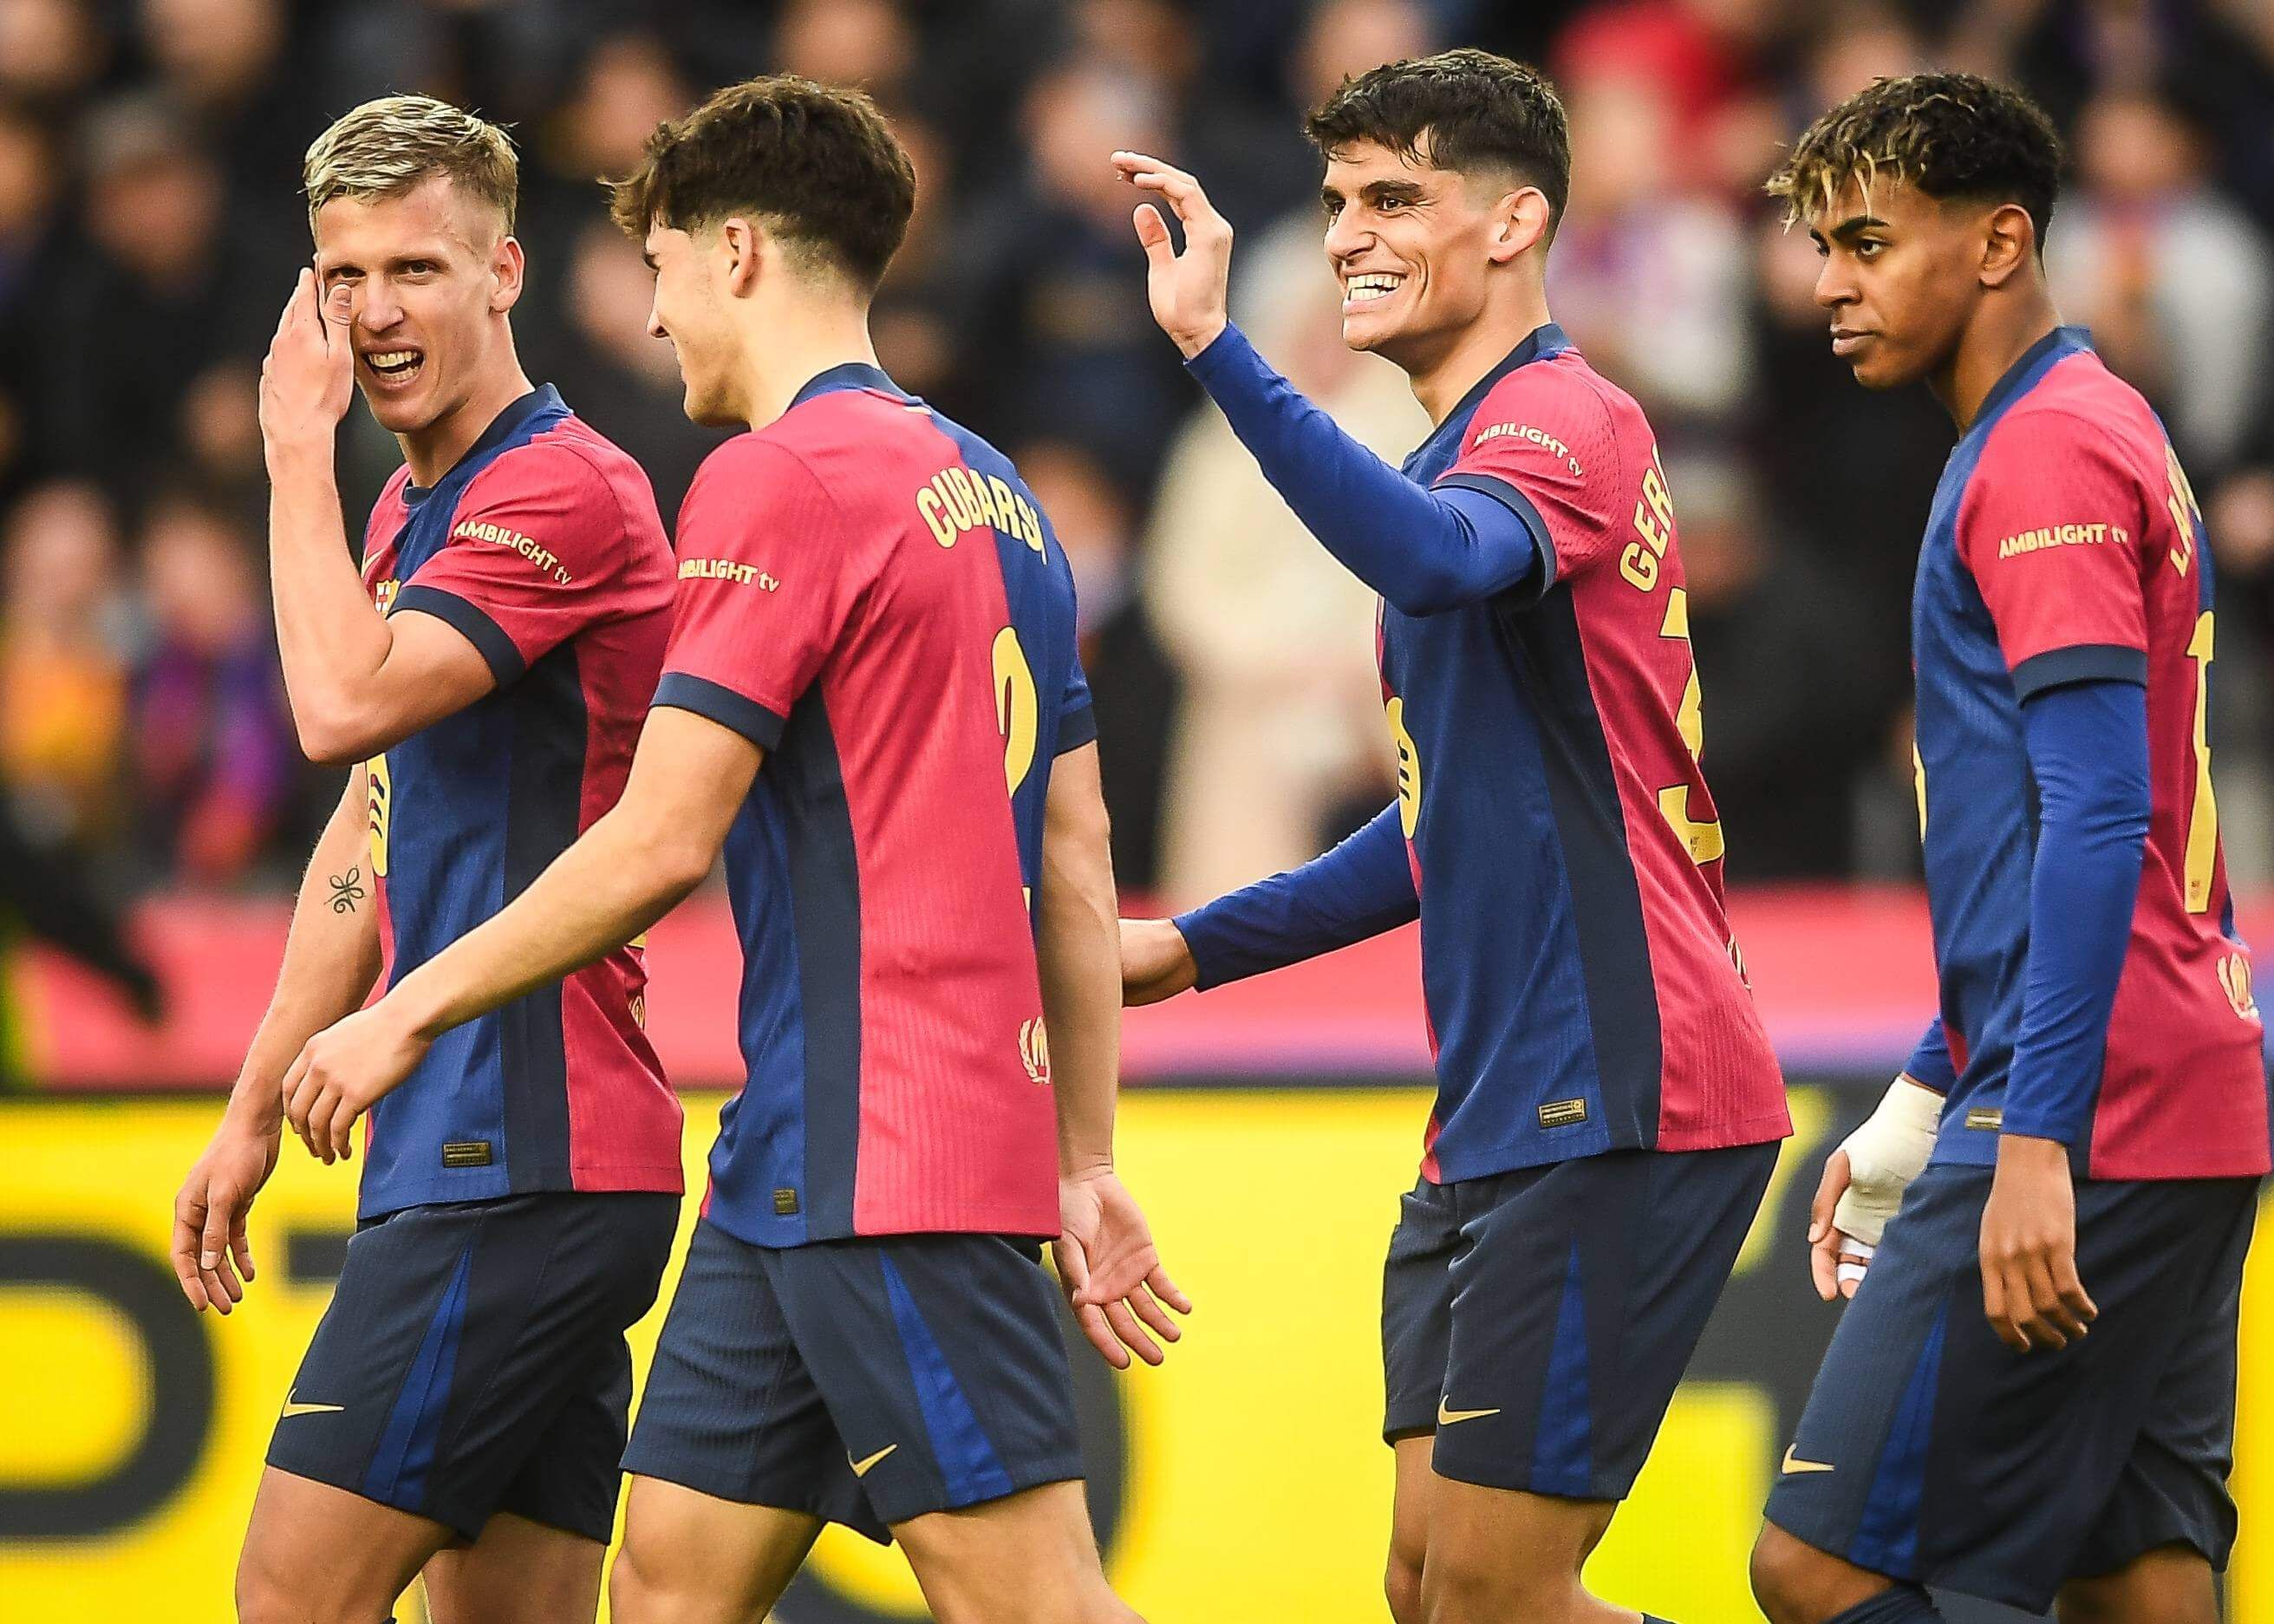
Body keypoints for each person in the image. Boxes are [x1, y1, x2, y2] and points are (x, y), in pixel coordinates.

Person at [277, 76, 1183, 1624]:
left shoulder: (776, 477)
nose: (652, 318)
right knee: (667, 1589)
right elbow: (1078, 859)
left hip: (889, 1146)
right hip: (787, 1161)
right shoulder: (1002, 493)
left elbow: (659, 835)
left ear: (741, 253)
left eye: (666, 268)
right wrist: (1084, 1153)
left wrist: (403, 1010)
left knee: (1036, 1603)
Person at [1113, 49, 1789, 1624]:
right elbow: (1435, 826)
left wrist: (1217, 349)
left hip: (1622, 1093)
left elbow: (1427, 561)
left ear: (1514, 222)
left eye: (1396, 196)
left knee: (1497, 1597)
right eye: (1340, 198)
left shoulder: (1556, 417)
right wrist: (1188, 947)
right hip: (1496, 1112)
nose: (1349, 231)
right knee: (1430, 1593)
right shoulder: (1450, 452)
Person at [1753, 73, 2273, 1624]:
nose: (1828, 283)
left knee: (1821, 1566)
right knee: (2138, 1585)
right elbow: (2057, 832)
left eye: (1866, 241)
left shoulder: (2040, 453)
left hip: (2093, 1102)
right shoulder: (2082, 423)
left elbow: (2102, 813)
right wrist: (1933, 1081)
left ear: (1995, 244)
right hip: (2176, 1086)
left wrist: (2029, 1134)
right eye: (1818, 246)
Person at [166, 96, 684, 1624]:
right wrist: (253, 1107)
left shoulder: (561, 487)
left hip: (519, 1158)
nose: (376, 312)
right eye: (343, 277)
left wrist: (284, 451)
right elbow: (363, 831)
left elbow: (335, 712)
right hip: (487, 1155)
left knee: (290, 1600)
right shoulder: (409, 504)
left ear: (506, 271)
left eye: (417, 269)